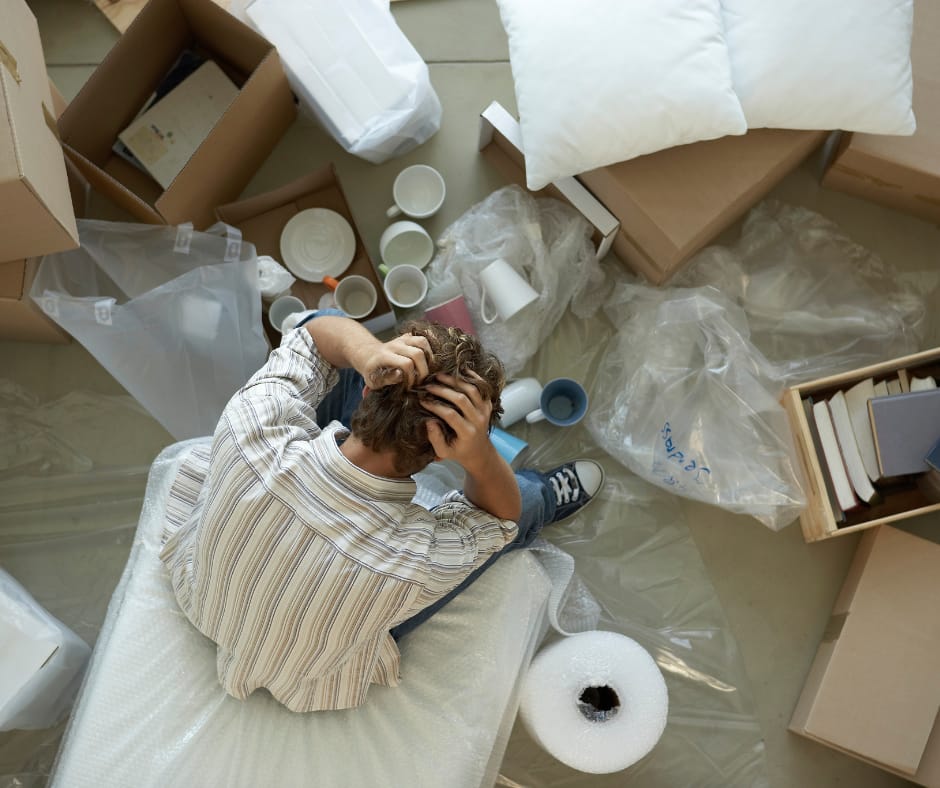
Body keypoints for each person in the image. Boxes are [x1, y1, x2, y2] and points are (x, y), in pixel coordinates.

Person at [160, 311, 604, 712]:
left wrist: (369, 352)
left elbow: (313, 333)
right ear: (441, 455)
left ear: (369, 390)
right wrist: (482, 458)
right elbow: (499, 518)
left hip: (202, 597)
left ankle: (369, 364)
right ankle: (545, 496)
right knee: (521, 503)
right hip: (307, 671)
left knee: (333, 329)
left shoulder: (252, 424)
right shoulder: (412, 563)